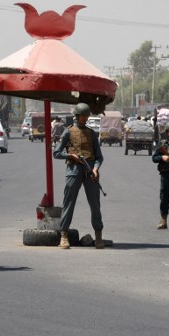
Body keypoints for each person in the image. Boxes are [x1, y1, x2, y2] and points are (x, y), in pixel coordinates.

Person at [53, 103, 106, 249]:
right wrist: (70, 155)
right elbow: (56, 153)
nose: (85, 119)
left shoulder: (91, 133)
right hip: (73, 171)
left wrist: (95, 169)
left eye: (86, 116)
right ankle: (64, 235)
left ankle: (98, 235)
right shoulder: (68, 132)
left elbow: (99, 157)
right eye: (82, 116)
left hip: (90, 173)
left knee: (95, 205)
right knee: (68, 203)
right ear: (76, 116)